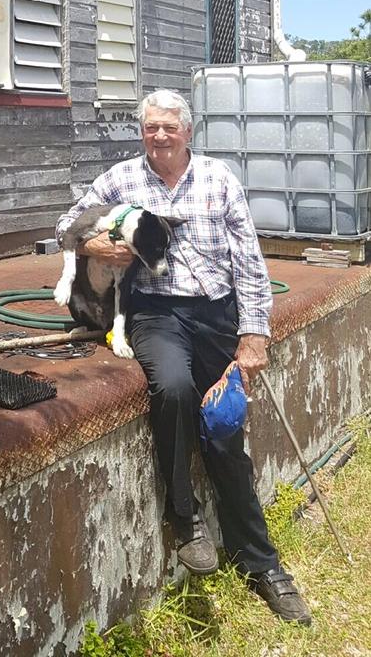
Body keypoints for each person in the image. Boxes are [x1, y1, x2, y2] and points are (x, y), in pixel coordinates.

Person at [55, 89, 311, 625]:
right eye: (151, 127)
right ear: (142, 132)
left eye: (169, 126)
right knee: (171, 387)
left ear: (188, 131)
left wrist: (254, 334)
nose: (160, 136)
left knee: (223, 432)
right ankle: (186, 521)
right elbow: (66, 227)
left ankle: (261, 563)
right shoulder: (122, 179)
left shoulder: (220, 179)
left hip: (217, 313)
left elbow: (249, 260)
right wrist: (94, 246)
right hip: (155, 313)